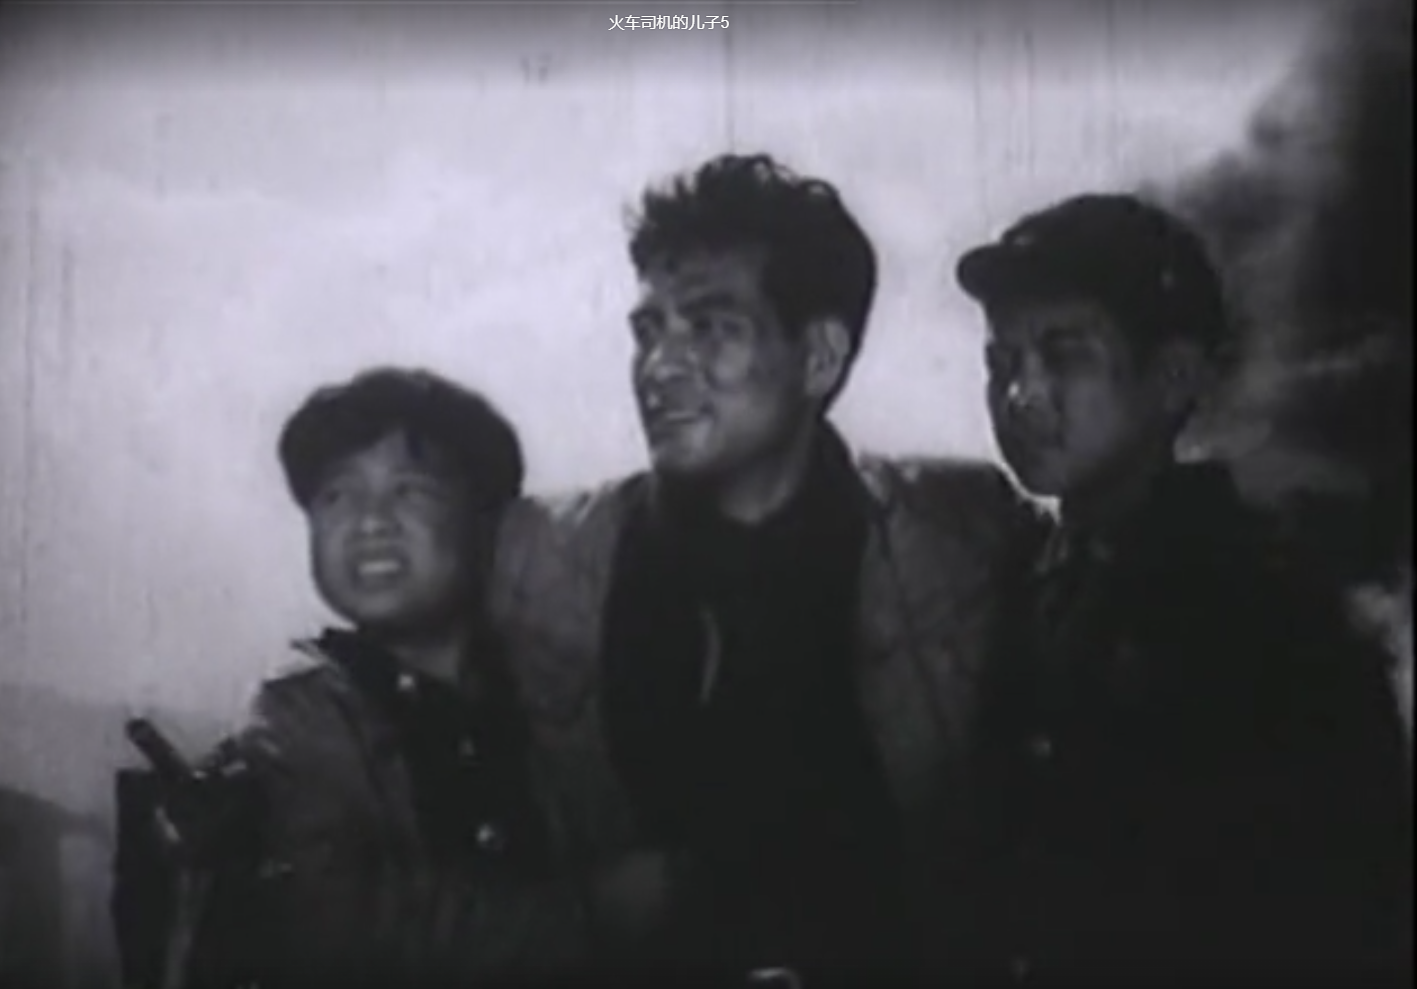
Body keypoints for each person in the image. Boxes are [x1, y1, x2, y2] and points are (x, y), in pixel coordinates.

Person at [485, 153, 1037, 987]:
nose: (659, 367)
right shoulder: (538, 557)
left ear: (819, 356)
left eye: (710, 326)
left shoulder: (962, 532)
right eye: (648, 330)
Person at [954, 193, 1413, 986]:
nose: (1020, 395)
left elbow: (1352, 915)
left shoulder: (1272, 614)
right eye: (1002, 362)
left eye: (1065, 355)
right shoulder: (1027, 580)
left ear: (1172, 376)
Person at [117, 368, 601, 989]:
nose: (370, 521)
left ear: (487, 522)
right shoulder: (301, 710)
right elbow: (341, 929)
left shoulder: (545, 688)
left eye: (410, 491)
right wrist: (594, 916)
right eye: (336, 497)